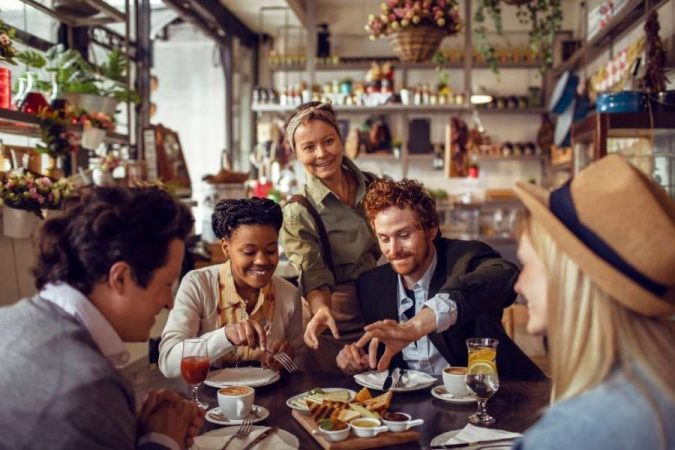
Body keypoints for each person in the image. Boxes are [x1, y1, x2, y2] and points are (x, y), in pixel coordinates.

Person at [0, 186, 203, 450]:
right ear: (120, 278)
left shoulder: (8, 320)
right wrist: (162, 442)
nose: (169, 302)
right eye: (166, 284)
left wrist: (131, 430)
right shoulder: (89, 387)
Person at [511, 155, 675, 449]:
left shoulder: (572, 435)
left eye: (526, 263)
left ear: (567, 275)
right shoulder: (658, 378)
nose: (518, 284)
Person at [337, 179, 544, 380]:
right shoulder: (370, 286)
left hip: (493, 397)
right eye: (384, 239)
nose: (394, 250)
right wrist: (354, 360)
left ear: (431, 230)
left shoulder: (465, 258)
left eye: (404, 235)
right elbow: (382, 353)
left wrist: (421, 322)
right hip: (413, 408)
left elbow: (504, 274)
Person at [280, 102, 381, 370]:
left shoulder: (374, 186)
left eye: (328, 141)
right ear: (296, 154)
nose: (322, 153)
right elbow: (313, 272)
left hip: (381, 316)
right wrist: (322, 309)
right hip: (333, 324)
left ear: (341, 140)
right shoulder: (298, 210)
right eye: (309, 147)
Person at [159, 197, 302, 377]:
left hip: (271, 400)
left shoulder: (289, 295)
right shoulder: (198, 285)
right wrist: (225, 336)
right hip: (206, 401)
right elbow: (168, 362)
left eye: (271, 250)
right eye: (249, 252)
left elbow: (301, 365)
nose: (262, 261)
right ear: (226, 248)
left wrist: (287, 357)